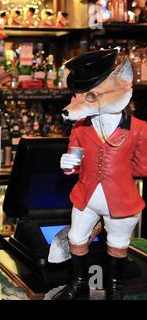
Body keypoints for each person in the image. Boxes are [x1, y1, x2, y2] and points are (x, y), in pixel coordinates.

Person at [52, 49, 147, 300]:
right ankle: (79, 282)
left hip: (122, 201)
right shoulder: (80, 128)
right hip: (86, 196)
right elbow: (72, 165)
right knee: (76, 237)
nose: (78, 103)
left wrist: (120, 176)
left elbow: (143, 167)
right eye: (77, 96)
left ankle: (115, 288)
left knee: (117, 244)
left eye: (90, 96)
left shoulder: (138, 129)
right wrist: (69, 164)